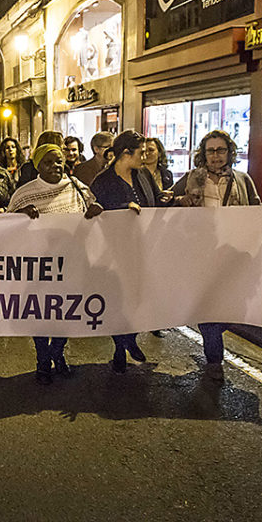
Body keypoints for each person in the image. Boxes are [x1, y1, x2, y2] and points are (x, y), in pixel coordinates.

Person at [173, 130, 262, 383]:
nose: (215, 156)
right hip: (201, 253)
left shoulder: (242, 179)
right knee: (206, 306)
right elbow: (166, 202)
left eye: (220, 150)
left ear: (229, 152)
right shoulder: (191, 178)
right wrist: (179, 199)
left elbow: (257, 211)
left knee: (231, 305)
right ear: (203, 153)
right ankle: (214, 359)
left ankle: (214, 335)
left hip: (233, 254)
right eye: (210, 150)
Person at [7, 144, 102, 385]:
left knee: (66, 314)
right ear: (38, 166)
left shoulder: (78, 189)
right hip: (38, 269)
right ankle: (42, 360)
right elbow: (6, 228)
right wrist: (20, 215)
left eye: (59, 161)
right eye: (48, 162)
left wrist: (95, 212)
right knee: (41, 314)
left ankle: (57, 354)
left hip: (72, 265)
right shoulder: (25, 194)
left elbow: (95, 217)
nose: (55, 166)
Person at [90, 131, 169, 373]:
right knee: (118, 301)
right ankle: (119, 347)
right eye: (140, 153)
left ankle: (130, 338)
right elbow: (96, 214)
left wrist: (165, 198)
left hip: (143, 249)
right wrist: (124, 208)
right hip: (114, 253)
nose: (144, 158)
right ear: (126, 153)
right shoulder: (102, 182)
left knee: (138, 298)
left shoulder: (143, 174)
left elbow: (154, 200)